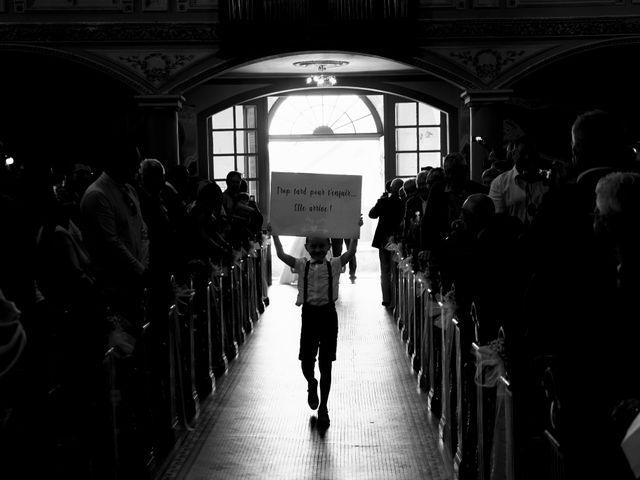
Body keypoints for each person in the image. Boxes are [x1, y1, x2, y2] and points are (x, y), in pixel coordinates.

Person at [269, 218, 362, 428]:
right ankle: (311, 382)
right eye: (314, 246)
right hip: (309, 315)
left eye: (322, 246)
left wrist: (355, 230)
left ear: (329, 247)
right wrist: (275, 234)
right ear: (307, 248)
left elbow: (350, 253)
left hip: (329, 315)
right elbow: (281, 255)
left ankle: (324, 407)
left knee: (326, 363)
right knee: (306, 361)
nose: (318, 250)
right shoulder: (301, 265)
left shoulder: (335, 264)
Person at [369, 178, 404, 307]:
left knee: (384, 270)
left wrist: (380, 200)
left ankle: (386, 299)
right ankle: (397, 299)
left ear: (390, 189)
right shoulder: (404, 202)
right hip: (398, 239)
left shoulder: (384, 202)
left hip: (383, 239)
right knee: (397, 269)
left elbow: (371, 214)